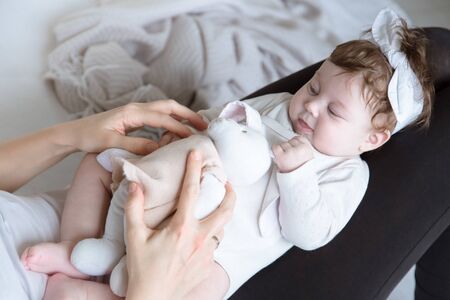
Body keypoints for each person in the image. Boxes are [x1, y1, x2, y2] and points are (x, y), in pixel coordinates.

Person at [20, 8, 435, 300]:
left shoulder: (348, 172)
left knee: (202, 291)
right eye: (313, 87)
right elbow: (218, 119)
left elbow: (310, 234)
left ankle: (92, 290)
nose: (309, 106)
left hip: (216, 255)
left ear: (372, 140)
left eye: (334, 111)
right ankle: (77, 247)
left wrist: (296, 175)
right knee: (96, 162)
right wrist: (183, 133)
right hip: (165, 190)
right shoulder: (282, 106)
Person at [0, 100, 235, 300]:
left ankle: (74, 253)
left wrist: (71, 137)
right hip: (173, 271)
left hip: (100, 218)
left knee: (97, 162)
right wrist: (149, 291)